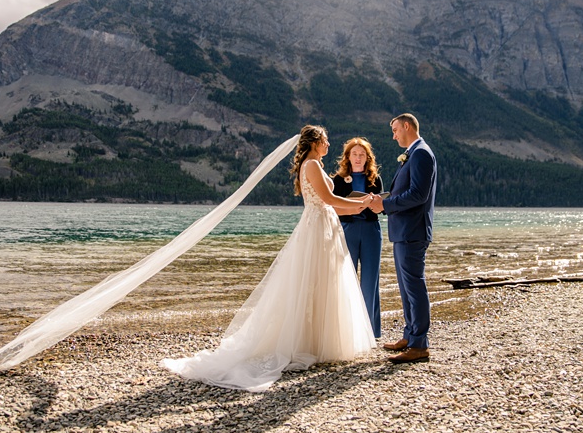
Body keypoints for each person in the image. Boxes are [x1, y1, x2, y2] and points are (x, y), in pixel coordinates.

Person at [160, 125, 378, 391]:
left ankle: (317, 342)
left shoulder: (314, 165)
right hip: (317, 229)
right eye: (326, 140)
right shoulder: (311, 165)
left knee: (324, 283)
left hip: (324, 226)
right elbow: (328, 199)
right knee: (313, 282)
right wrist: (361, 204)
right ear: (315, 142)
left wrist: (358, 205)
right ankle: (305, 343)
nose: (329, 145)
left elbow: (329, 204)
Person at [368, 113, 437, 364]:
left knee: (415, 286)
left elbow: (418, 195)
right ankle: (410, 336)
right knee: (407, 287)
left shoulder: (421, 153)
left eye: (396, 129)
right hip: (404, 231)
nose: (394, 134)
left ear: (407, 126)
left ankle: (420, 344)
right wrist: (382, 200)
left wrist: (385, 205)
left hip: (412, 231)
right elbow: (406, 191)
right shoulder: (414, 152)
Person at [331, 138, 384, 339]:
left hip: (371, 231)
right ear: (348, 157)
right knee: (347, 279)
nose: (358, 158)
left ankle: (370, 331)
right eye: (354, 154)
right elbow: (333, 207)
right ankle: (348, 331)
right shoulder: (338, 179)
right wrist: (354, 205)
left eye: (362, 154)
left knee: (370, 280)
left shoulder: (375, 179)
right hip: (348, 230)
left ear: (367, 158)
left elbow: (380, 206)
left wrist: (374, 203)